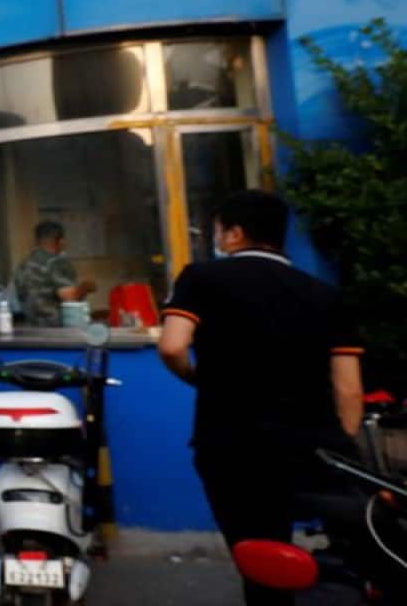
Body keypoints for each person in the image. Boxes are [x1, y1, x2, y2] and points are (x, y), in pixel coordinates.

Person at [158, 190, 366, 606]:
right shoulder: (324, 294)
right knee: (337, 558)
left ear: (234, 234)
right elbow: (349, 388)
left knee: (260, 558)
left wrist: (199, 379)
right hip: (313, 448)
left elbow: (172, 346)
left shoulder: (201, 278)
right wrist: (339, 448)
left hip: (232, 445)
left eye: (219, 231)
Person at [14, 221, 97, 326]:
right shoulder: (55, 262)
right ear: (61, 241)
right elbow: (70, 297)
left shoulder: (23, 265)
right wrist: (87, 286)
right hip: (58, 328)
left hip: (32, 327)